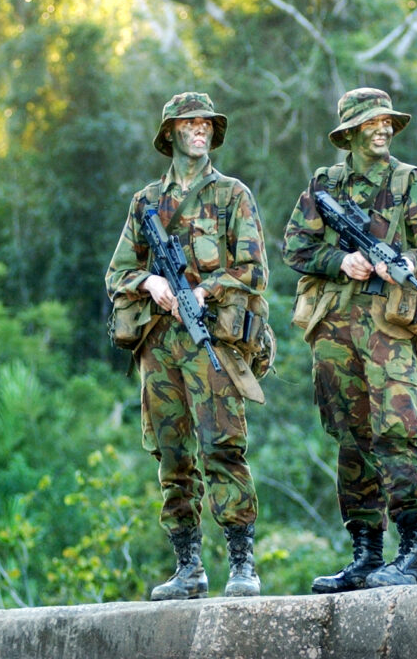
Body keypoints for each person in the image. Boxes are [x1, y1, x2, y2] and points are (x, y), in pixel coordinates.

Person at [282, 87, 417, 592]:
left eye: (387, 122)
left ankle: (413, 555)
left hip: (388, 329)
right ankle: (366, 556)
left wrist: (400, 262)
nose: (383, 129)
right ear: (351, 132)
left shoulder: (408, 182)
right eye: (372, 122)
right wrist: (342, 261)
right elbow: (296, 247)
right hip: (335, 329)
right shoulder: (325, 184)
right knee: (351, 438)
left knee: (399, 431)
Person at [105, 91, 268, 600]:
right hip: (159, 345)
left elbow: (254, 271)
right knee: (172, 455)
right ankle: (188, 568)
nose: (200, 129)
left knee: (222, 447)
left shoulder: (232, 195)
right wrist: (150, 282)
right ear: (170, 133)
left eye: (206, 123)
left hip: (211, 339)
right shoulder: (146, 202)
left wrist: (204, 289)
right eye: (189, 122)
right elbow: (117, 273)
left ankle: (241, 564)